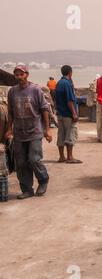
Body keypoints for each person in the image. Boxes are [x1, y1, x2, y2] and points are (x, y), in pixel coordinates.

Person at [4, 65, 52, 199]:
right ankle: (27, 189)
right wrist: (9, 129)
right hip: (19, 132)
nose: (19, 77)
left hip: (35, 131)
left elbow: (44, 109)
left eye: (21, 74)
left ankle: (43, 180)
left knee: (34, 159)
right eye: (17, 75)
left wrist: (47, 130)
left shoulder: (35, 90)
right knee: (21, 162)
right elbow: (11, 112)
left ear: (27, 75)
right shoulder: (12, 91)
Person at [55, 65, 82, 164]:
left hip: (60, 113)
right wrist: (74, 113)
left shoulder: (59, 83)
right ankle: (70, 157)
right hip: (68, 114)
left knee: (61, 135)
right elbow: (69, 100)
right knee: (70, 135)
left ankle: (62, 156)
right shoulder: (67, 83)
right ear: (70, 72)